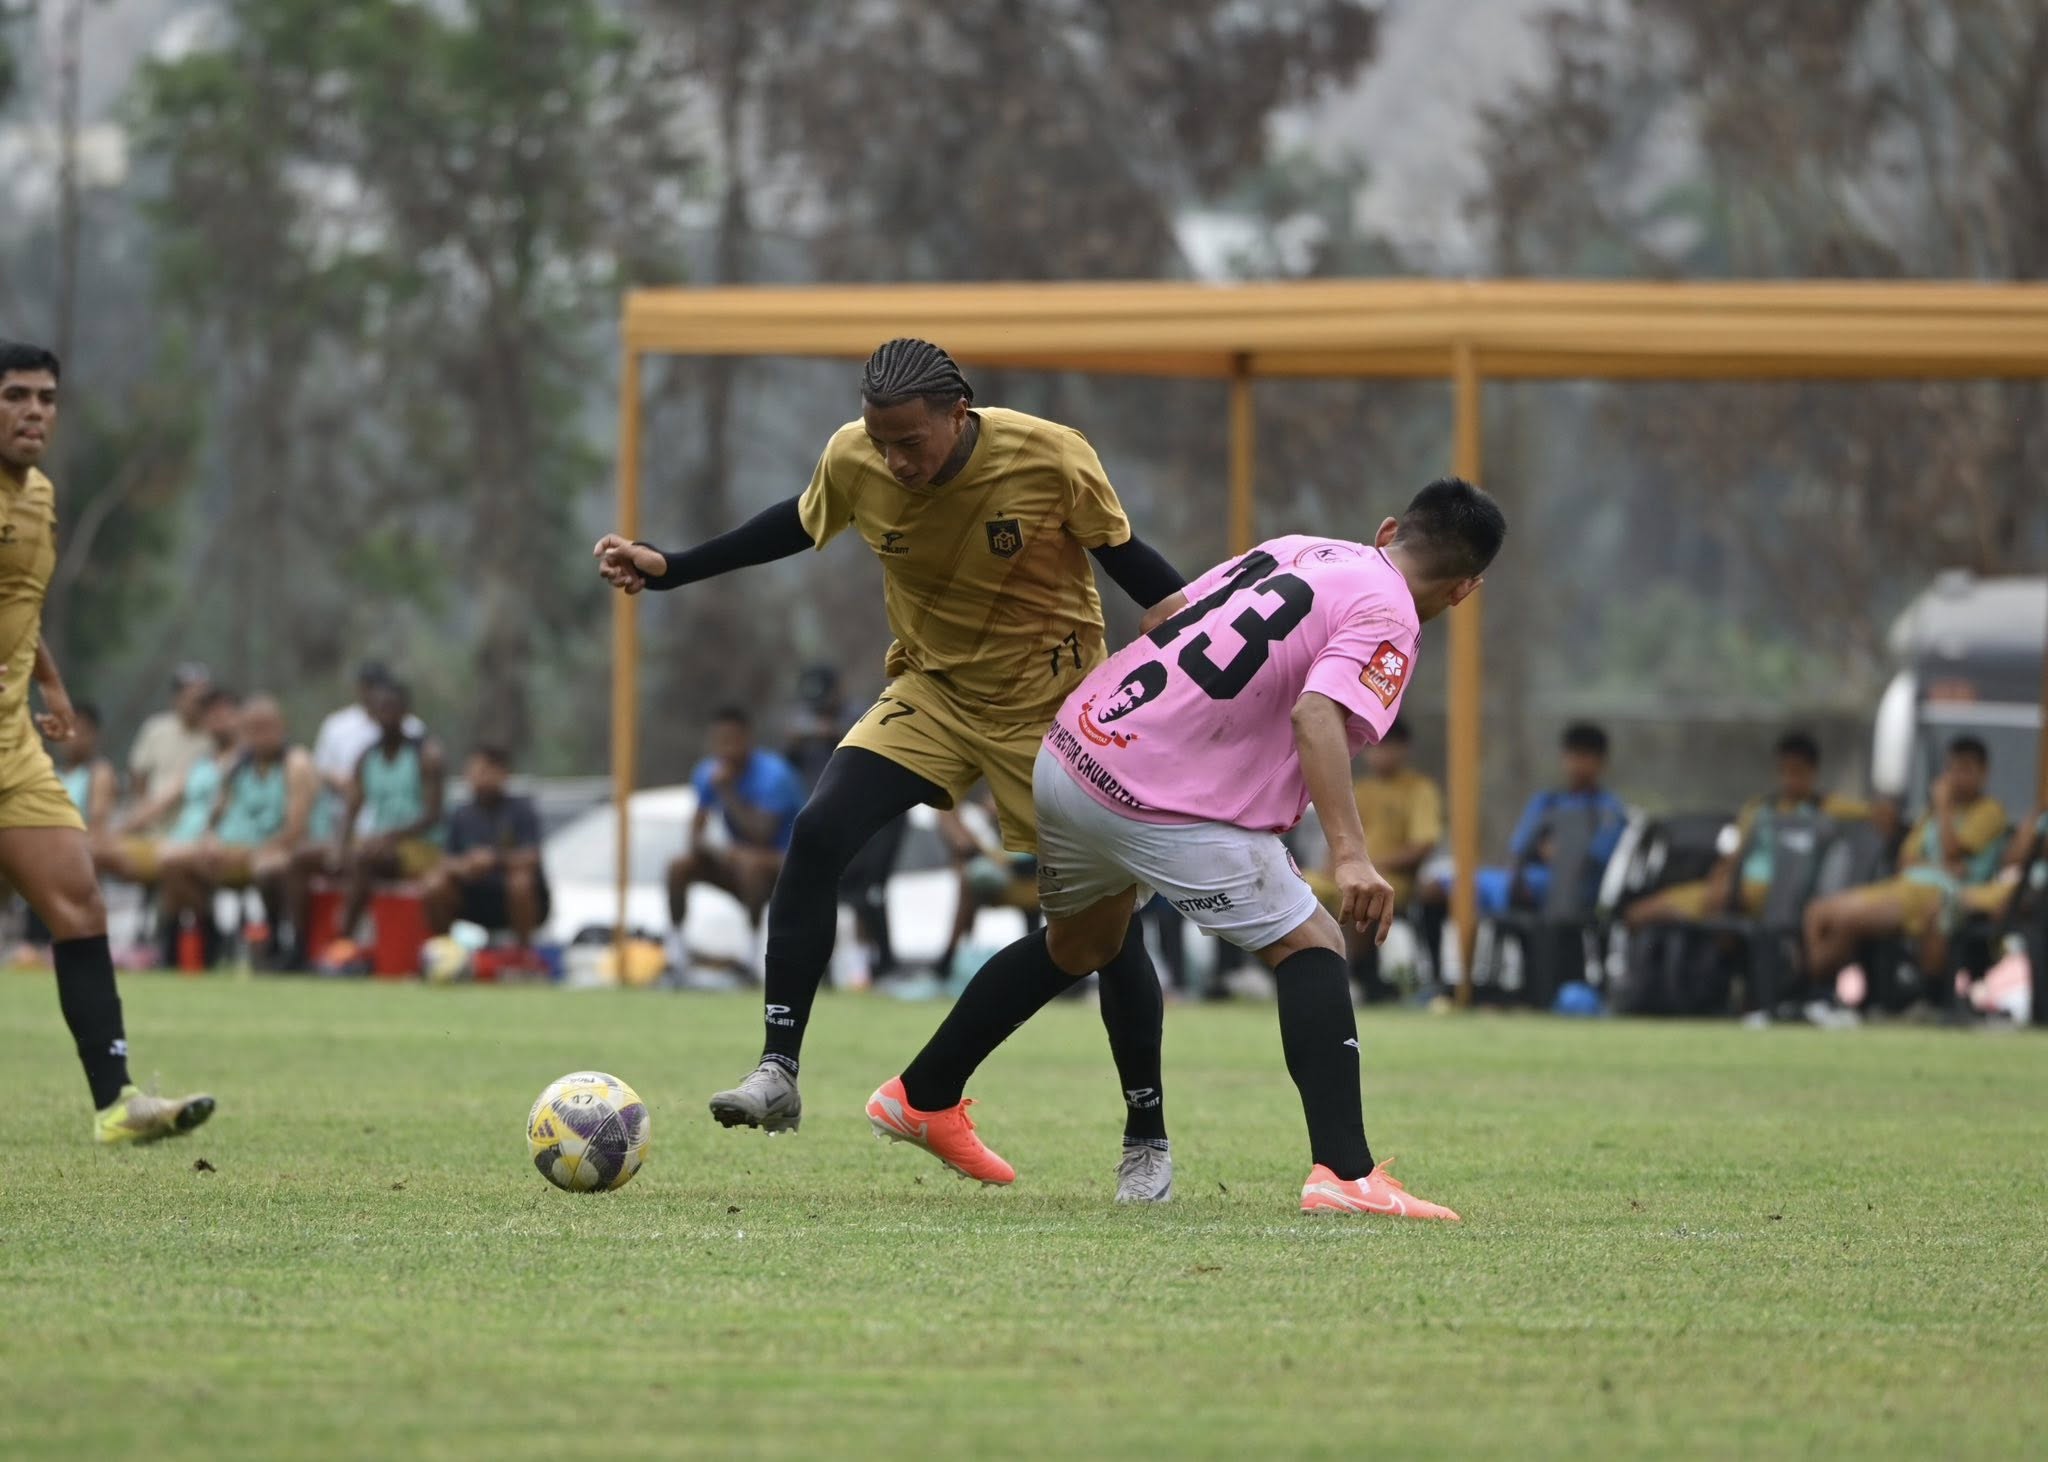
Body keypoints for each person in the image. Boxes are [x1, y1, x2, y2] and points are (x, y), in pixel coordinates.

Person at [595, 338, 1187, 1194]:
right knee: (820, 829)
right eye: (881, 441)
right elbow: (797, 524)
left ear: (960, 411)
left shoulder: (1050, 456)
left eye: (910, 441)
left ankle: (1146, 1137)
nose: (893, 459)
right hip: (933, 693)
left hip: (1054, 714)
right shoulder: (856, 455)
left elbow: (1139, 569)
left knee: (1103, 933)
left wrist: (1210, 668)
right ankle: (779, 1070)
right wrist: (672, 567)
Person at [867, 479, 1506, 1216]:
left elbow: (1165, 615)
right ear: (1464, 590)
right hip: (1153, 799)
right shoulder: (1391, 614)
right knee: (1313, 943)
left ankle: (922, 1093)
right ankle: (1346, 1173)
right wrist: (1352, 853)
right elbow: (1317, 713)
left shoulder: (1297, 547)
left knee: (1079, 945)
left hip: (1074, 752)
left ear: (1389, 527)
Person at [0, 339, 212, 1141]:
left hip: (15, 745)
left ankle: (118, 1103)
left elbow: (21, 598)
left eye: (46, 398)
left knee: (80, 903)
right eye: (16, 395)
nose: (34, 412)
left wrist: (49, 683)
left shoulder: (41, 496)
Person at [1801, 736, 2008, 1020]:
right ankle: (1813, 993)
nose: (1956, 778)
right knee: (1817, 913)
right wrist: (1940, 861)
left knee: (1845, 920)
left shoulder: (1989, 811)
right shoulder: (1930, 816)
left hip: (1940, 893)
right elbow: (1906, 858)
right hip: (1906, 885)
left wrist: (1944, 809)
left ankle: (1805, 992)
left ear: (1983, 773)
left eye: (1965, 770)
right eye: (1952, 770)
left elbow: (1953, 849)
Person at [1626, 731, 1862, 928]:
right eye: (1785, 771)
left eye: (1798, 771)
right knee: (1644, 911)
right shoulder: (1759, 810)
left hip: (1784, 897)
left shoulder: (1828, 808)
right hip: (1739, 889)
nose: (1790, 780)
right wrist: (1723, 881)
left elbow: (1870, 812)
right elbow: (1734, 855)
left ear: (1813, 772)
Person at [158, 694, 316, 967]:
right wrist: (209, 840)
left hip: (275, 849)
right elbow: (214, 816)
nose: (261, 736)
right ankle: (206, 936)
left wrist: (248, 852)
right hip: (232, 849)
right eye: (253, 729)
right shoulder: (236, 766)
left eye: (267, 728)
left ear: (282, 727)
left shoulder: (295, 763)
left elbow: (296, 829)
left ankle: (283, 944)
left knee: (270, 868)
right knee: (172, 862)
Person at [1307, 718, 1441, 998]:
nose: (1378, 754)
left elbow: (1423, 844)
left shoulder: (1419, 790)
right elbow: (1335, 833)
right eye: (1373, 747)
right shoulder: (1359, 788)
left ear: (1404, 748)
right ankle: (1301, 971)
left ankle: (1357, 975)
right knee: (1301, 887)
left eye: (1386, 747)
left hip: (1392, 877)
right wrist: (1332, 865)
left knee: (1365, 890)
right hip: (1345, 872)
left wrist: (1372, 867)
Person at [668, 707, 803, 972]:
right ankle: (676, 952)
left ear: (747, 739)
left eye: (732, 739)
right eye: (719, 741)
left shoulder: (774, 774)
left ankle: (753, 955)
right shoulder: (708, 772)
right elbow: (695, 835)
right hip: (740, 860)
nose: (726, 748)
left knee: (751, 864)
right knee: (679, 865)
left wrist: (727, 790)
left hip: (786, 860)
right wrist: (719, 852)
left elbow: (762, 835)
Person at [98, 686, 240, 897]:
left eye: (223, 712)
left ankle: (197, 925)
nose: (217, 719)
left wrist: (210, 834)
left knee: (171, 860)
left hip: (213, 842)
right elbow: (161, 801)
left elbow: (222, 806)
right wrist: (117, 831)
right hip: (179, 837)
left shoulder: (244, 759)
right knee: (98, 852)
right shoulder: (201, 762)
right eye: (211, 714)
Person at [333, 680, 445, 942]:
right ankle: (297, 946)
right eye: (379, 710)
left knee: (364, 859)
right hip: (378, 843)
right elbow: (352, 809)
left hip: (421, 846)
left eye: (391, 709)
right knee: (308, 859)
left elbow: (434, 815)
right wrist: (339, 847)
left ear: (405, 712)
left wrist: (390, 837)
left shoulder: (426, 754)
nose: (385, 716)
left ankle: (344, 941)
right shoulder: (365, 758)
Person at [1477, 723, 1628, 916]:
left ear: (1601, 762)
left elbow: (1594, 858)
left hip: (1575, 890)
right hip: (1527, 880)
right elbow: (1520, 846)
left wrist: (1561, 853)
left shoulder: (1609, 809)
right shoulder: (1547, 801)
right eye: (1571, 755)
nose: (1576, 764)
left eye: (1584, 756)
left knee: (1483, 888)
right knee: (1462, 887)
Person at [424, 745, 550, 945]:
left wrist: (494, 859)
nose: (474, 778)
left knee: (520, 882)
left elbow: (532, 856)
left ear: (501, 773)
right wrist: (466, 866)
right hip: (472, 896)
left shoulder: (521, 809)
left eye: (481, 772)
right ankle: (445, 949)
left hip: (512, 898)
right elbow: (445, 860)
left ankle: (524, 954)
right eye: (471, 772)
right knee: (435, 883)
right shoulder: (461, 814)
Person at [310, 660, 422, 843]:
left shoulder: (414, 732)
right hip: (344, 818)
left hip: (400, 831)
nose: (371, 693)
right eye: (366, 686)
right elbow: (319, 769)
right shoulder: (338, 727)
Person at [125, 662, 213, 831]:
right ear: (176, 698)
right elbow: (139, 776)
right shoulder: (156, 729)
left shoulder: (213, 737)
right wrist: (143, 811)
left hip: (194, 826)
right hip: (153, 823)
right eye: (191, 696)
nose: (198, 702)